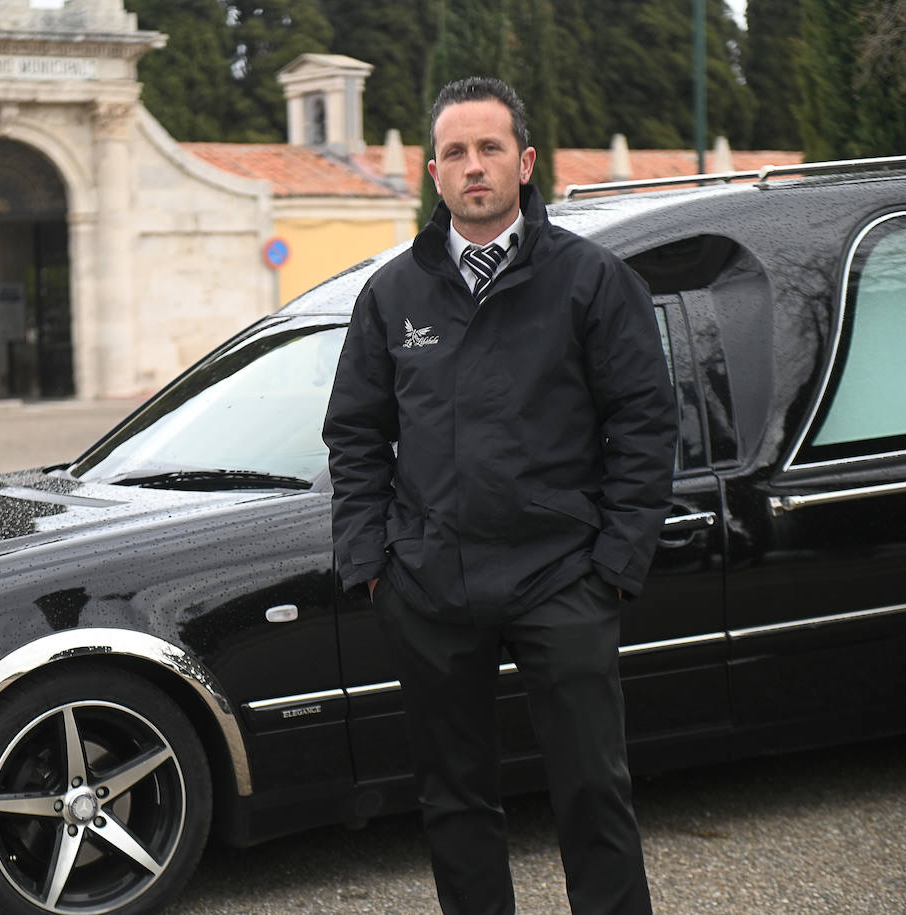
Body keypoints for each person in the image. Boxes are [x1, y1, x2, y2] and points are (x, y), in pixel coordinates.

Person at [322, 76, 677, 915]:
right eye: (455, 152)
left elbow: (645, 424)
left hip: (563, 581)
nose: (472, 166)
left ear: (523, 162)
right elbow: (356, 434)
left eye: (488, 149)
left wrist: (615, 565)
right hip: (431, 586)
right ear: (434, 174)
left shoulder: (592, 281)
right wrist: (373, 563)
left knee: (593, 792)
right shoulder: (392, 295)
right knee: (454, 802)